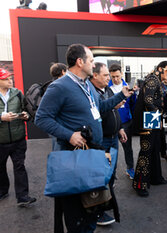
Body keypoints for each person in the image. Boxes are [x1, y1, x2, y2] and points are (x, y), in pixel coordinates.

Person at [35, 44, 133, 232]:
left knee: (91, 207)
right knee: (77, 214)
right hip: (74, 159)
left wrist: (122, 94)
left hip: (91, 155)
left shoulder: (87, 84)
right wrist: (69, 135)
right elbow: (41, 118)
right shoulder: (59, 86)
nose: (93, 64)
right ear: (80, 62)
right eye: (91, 60)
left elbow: (100, 108)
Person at [90, 62, 127, 226]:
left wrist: (119, 129)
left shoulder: (108, 89)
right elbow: (101, 109)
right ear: (95, 75)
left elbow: (112, 110)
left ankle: (107, 202)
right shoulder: (91, 92)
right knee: (101, 176)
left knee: (110, 174)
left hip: (113, 137)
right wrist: (117, 100)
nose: (109, 78)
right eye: (106, 75)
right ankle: (98, 212)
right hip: (102, 140)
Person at [132, 61, 167, 197]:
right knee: (146, 151)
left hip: (151, 120)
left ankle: (155, 178)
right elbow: (148, 100)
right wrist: (157, 117)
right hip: (148, 121)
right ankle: (139, 184)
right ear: (160, 69)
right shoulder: (153, 79)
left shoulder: (154, 79)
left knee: (154, 149)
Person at [0, 68, 36, 207]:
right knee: (0, 167)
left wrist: (26, 115)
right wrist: (1, 117)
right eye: (6, 79)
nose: (11, 81)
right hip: (1, 141)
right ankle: (3, 190)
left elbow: (25, 109)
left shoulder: (18, 93)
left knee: (19, 166)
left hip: (18, 138)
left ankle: (23, 196)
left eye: (11, 78)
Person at [109, 64, 136, 179]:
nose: (115, 79)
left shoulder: (128, 86)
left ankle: (130, 168)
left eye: (117, 76)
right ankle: (111, 174)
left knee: (127, 147)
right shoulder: (107, 87)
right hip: (111, 122)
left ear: (121, 74)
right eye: (113, 77)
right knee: (111, 149)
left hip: (125, 122)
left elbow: (133, 105)